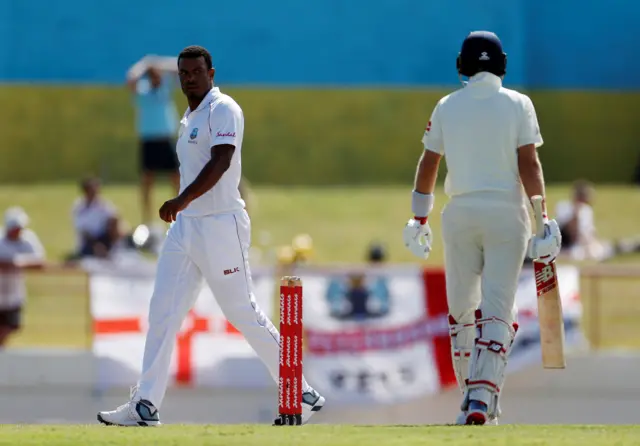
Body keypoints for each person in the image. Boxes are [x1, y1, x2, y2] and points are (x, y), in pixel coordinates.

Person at [98, 45, 325, 427]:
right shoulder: (188, 116)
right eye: (183, 73)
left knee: (242, 311)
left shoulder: (224, 109)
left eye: (196, 72)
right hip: (186, 228)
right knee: (163, 313)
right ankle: (145, 405)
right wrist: (184, 208)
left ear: (211, 73)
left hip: (221, 225)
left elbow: (222, 159)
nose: (188, 78)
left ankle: (299, 389)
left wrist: (182, 199)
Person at [402, 31, 562, 425]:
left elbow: (428, 164)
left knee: (461, 315)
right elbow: (530, 164)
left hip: (460, 216)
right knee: (497, 311)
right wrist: (542, 219)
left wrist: (418, 218)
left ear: (462, 65)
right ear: (502, 63)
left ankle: (474, 401)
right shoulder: (520, 104)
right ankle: (481, 400)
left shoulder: (446, 105)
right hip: (507, 216)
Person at [126, 55, 181, 224]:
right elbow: (130, 79)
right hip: (148, 141)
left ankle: (179, 215)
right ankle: (147, 220)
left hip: (166, 139)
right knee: (147, 181)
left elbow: (179, 67)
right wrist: (144, 64)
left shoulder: (165, 87)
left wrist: (156, 62)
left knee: (177, 178)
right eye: (154, 74)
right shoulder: (142, 90)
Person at [0, 207, 45, 347]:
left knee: (12, 325)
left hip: (14, 293)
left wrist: (17, 263)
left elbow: (40, 262)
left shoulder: (28, 240)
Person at [68, 177, 121, 261]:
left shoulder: (104, 205)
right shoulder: (78, 207)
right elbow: (84, 232)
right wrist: (97, 246)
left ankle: (116, 250)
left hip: (104, 239)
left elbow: (115, 218)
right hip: (88, 243)